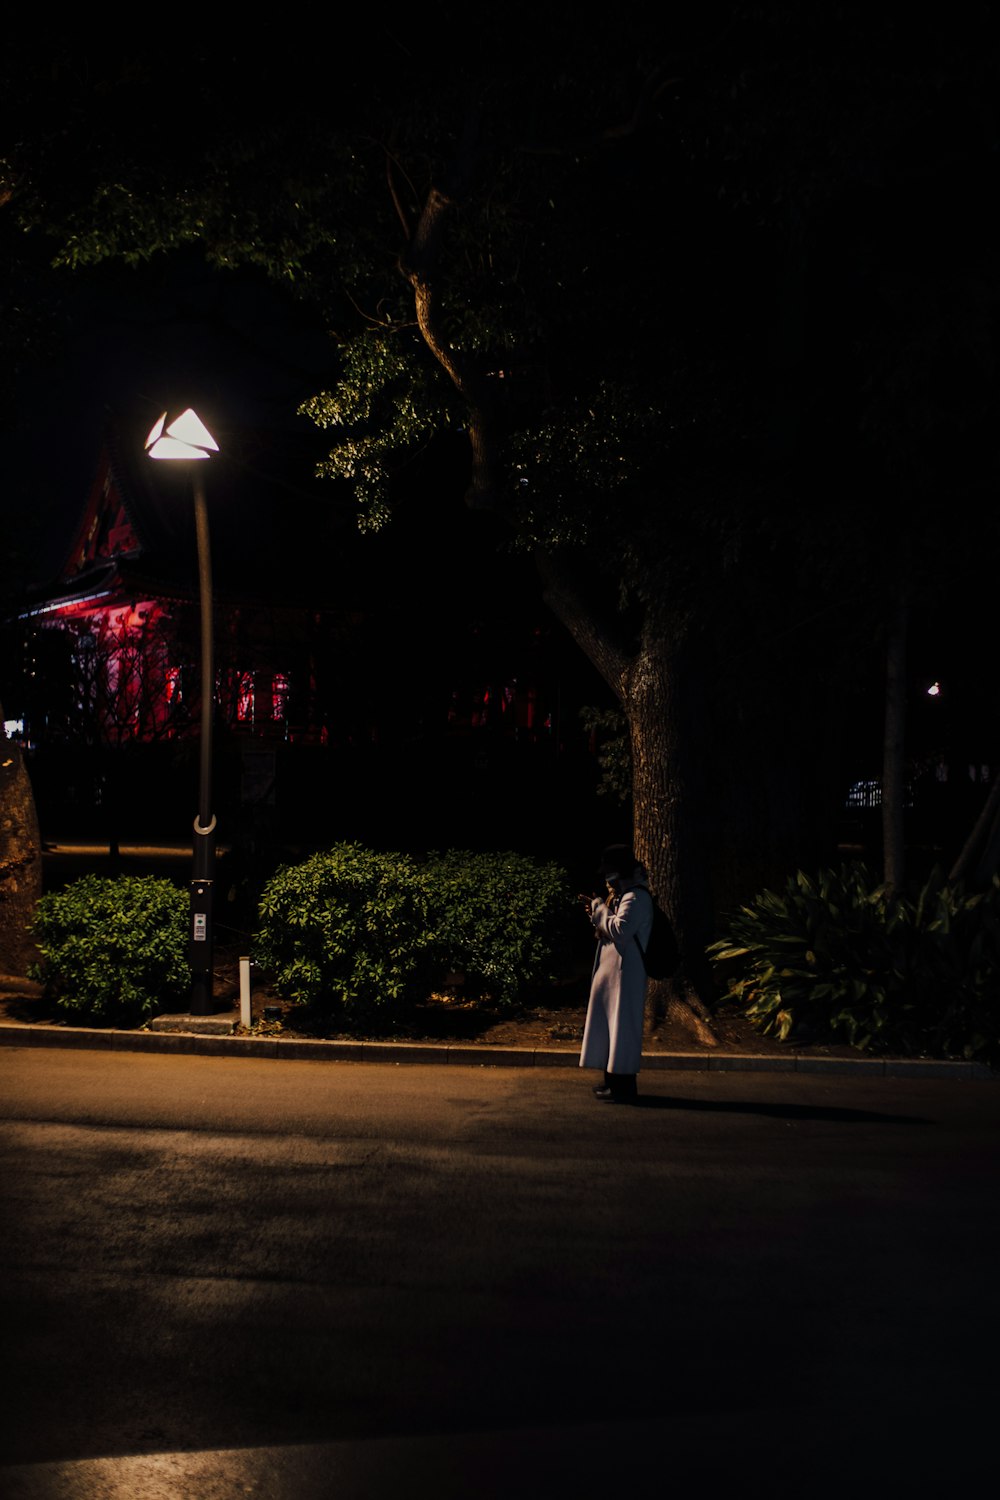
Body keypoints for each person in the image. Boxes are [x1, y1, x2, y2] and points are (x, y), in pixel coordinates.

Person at [579, 842, 653, 1103]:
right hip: (616, 973)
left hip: (625, 973)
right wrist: (599, 912)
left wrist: (600, 910)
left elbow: (621, 930)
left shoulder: (636, 896)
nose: (608, 879)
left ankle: (623, 1086)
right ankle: (614, 1082)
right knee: (613, 1028)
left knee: (622, 1028)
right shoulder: (629, 895)